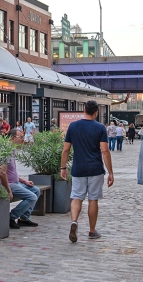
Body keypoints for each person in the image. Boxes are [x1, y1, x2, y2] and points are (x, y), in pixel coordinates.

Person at [61, 101, 113, 242]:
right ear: (96, 112)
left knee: (77, 196)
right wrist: (110, 172)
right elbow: (105, 151)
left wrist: (63, 167)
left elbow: (66, 149)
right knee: (93, 199)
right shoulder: (100, 128)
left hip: (78, 168)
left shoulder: (73, 126)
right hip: (95, 168)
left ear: (83, 110)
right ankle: (91, 230)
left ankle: (74, 221)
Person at [0, 130, 40, 229]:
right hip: (9, 184)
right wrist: (8, 190)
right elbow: (2, 173)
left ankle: (24, 219)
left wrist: (24, 181)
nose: (23, 140)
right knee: (32, 197)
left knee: (36, 190)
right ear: (13, 138)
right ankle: (11, 217)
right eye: (21, 137)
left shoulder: (12, 150)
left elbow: (11, 173)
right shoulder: (6, 151)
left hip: (15, 182)